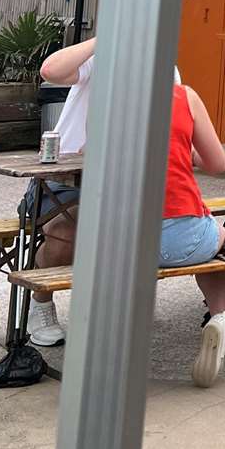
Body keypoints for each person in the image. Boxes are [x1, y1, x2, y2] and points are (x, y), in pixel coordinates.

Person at [23, 38, 181, 347]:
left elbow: (171, 125)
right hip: (62, 180)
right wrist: (104, 35)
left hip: (123, 179)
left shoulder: (166, 71)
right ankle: (39, 305)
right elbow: (50, 70)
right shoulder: (102, 58)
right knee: (68, 230)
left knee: (137, 229)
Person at [161, 82, 225, 388]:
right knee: (218, 233)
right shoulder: (184, 96)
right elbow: (218, 164)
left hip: (122, 242)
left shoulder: (107, 94)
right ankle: (219, 317)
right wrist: (189, 152)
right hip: (182, 236)